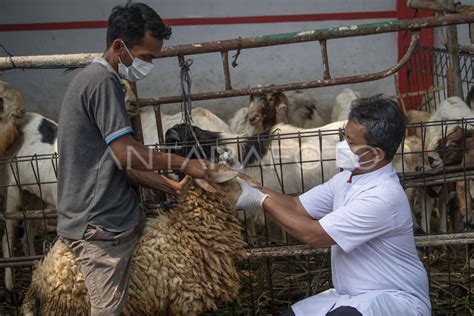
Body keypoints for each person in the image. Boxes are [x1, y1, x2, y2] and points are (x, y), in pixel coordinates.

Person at [56, 3, 208, 315]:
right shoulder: (103, 82)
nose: (149, 65)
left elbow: (118, 162)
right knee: (108, 309)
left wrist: (171, 186)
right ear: (118, 46)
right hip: (98, 226)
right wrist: (185, 164)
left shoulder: (93, 79)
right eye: (146, 57)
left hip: (109, 216)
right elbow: (127, 153)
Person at [236, 95, 431, 316]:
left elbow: (314, 234)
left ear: (376, 154)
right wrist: (243, 183)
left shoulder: (383, 197)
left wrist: (260, 200)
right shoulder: (345, 180)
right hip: (350, 297)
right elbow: (296, 205)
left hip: (394, 299)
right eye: (344, 138)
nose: (342, 147)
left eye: (351, 143)